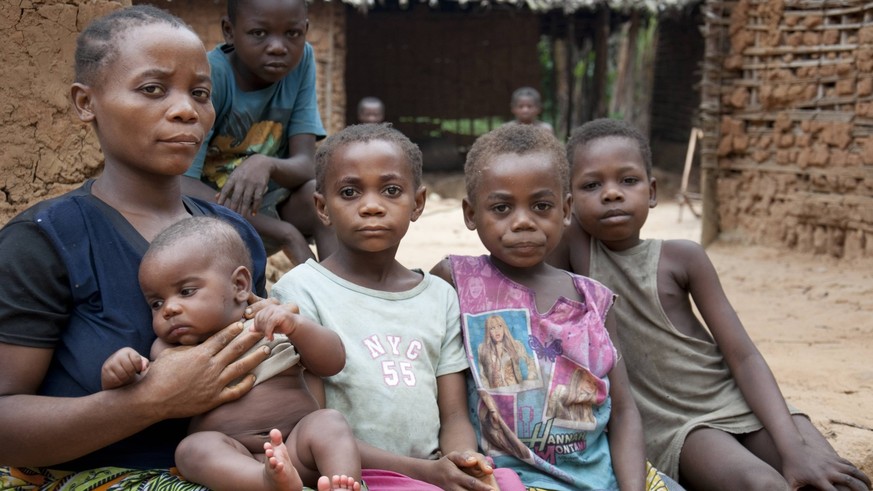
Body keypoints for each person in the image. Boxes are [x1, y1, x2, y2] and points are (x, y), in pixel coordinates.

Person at [0, 5, 275, 489]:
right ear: (86, 103)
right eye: (153, 89)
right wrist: (151, 401)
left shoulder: (234, 238)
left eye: (200, 93)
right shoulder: (45, 240)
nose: (186, 109)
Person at [548, 117, 872, 491]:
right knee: (764, 485)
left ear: (652, 192)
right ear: (569, 202)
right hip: (676, 424)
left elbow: (744, 356)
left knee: (839, 479)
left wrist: (792, 448)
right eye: (592, 185)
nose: (611, 194)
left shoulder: (683, 258)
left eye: (628, 180)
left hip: (735, 398)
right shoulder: (576, 250)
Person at [269, 123, 524, 490]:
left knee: (506, 484)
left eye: (391, 191)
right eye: (350, 192)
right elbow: (313, 426)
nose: (371, 206)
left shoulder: (438, 296)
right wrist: (426, 474)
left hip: (431, 470)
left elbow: (452, 415)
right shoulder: (301, 293)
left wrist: (462, 461)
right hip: (351, 474)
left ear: (417, 203)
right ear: (323, 208)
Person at [431, 123, 663, 491]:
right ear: (471, 214)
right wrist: (465, 463)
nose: (523, 221)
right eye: (502, 207)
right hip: (513, 479)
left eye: (541, 206)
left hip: (605, 476)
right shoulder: (457, 280)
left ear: (565, 209)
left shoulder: (594, 299)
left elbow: (623, 412)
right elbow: (449, 400)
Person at [101, 216, 362, 491]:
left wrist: (297, 327)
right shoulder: (168, 350)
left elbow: (333, 362)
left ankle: (340, 483)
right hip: (233, 458)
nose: (169, 309)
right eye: (156, 302)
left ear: (239, 285)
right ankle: (267, 482)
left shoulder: (269, 319)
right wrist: (120, 373)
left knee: (328, 422)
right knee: (192, 449)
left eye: (186, 291)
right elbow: (143, 396)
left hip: (297, 444)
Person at [182, 0, 335, 266]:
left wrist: (266, 164)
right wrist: (286, 233)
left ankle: (340, 291)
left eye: (292, 33)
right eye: (259, 33)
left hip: (271, 204)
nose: (278, 47)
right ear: (229, 31)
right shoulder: (212, 75)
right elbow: (182, 186)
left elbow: (306, 165)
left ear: (305, 30)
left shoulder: (301, 62)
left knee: (324, 199)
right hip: (209, 218)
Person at [477, 314, 539, 389]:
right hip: (497, 395)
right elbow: (483, 376)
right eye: (492, 328)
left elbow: (531, 363)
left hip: (516, 390)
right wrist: (488, 392)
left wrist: (529, 379)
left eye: (500, 326)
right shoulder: (483, 349)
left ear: (504, 328)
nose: (497, 331)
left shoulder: (516, 345)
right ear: (488, 332)